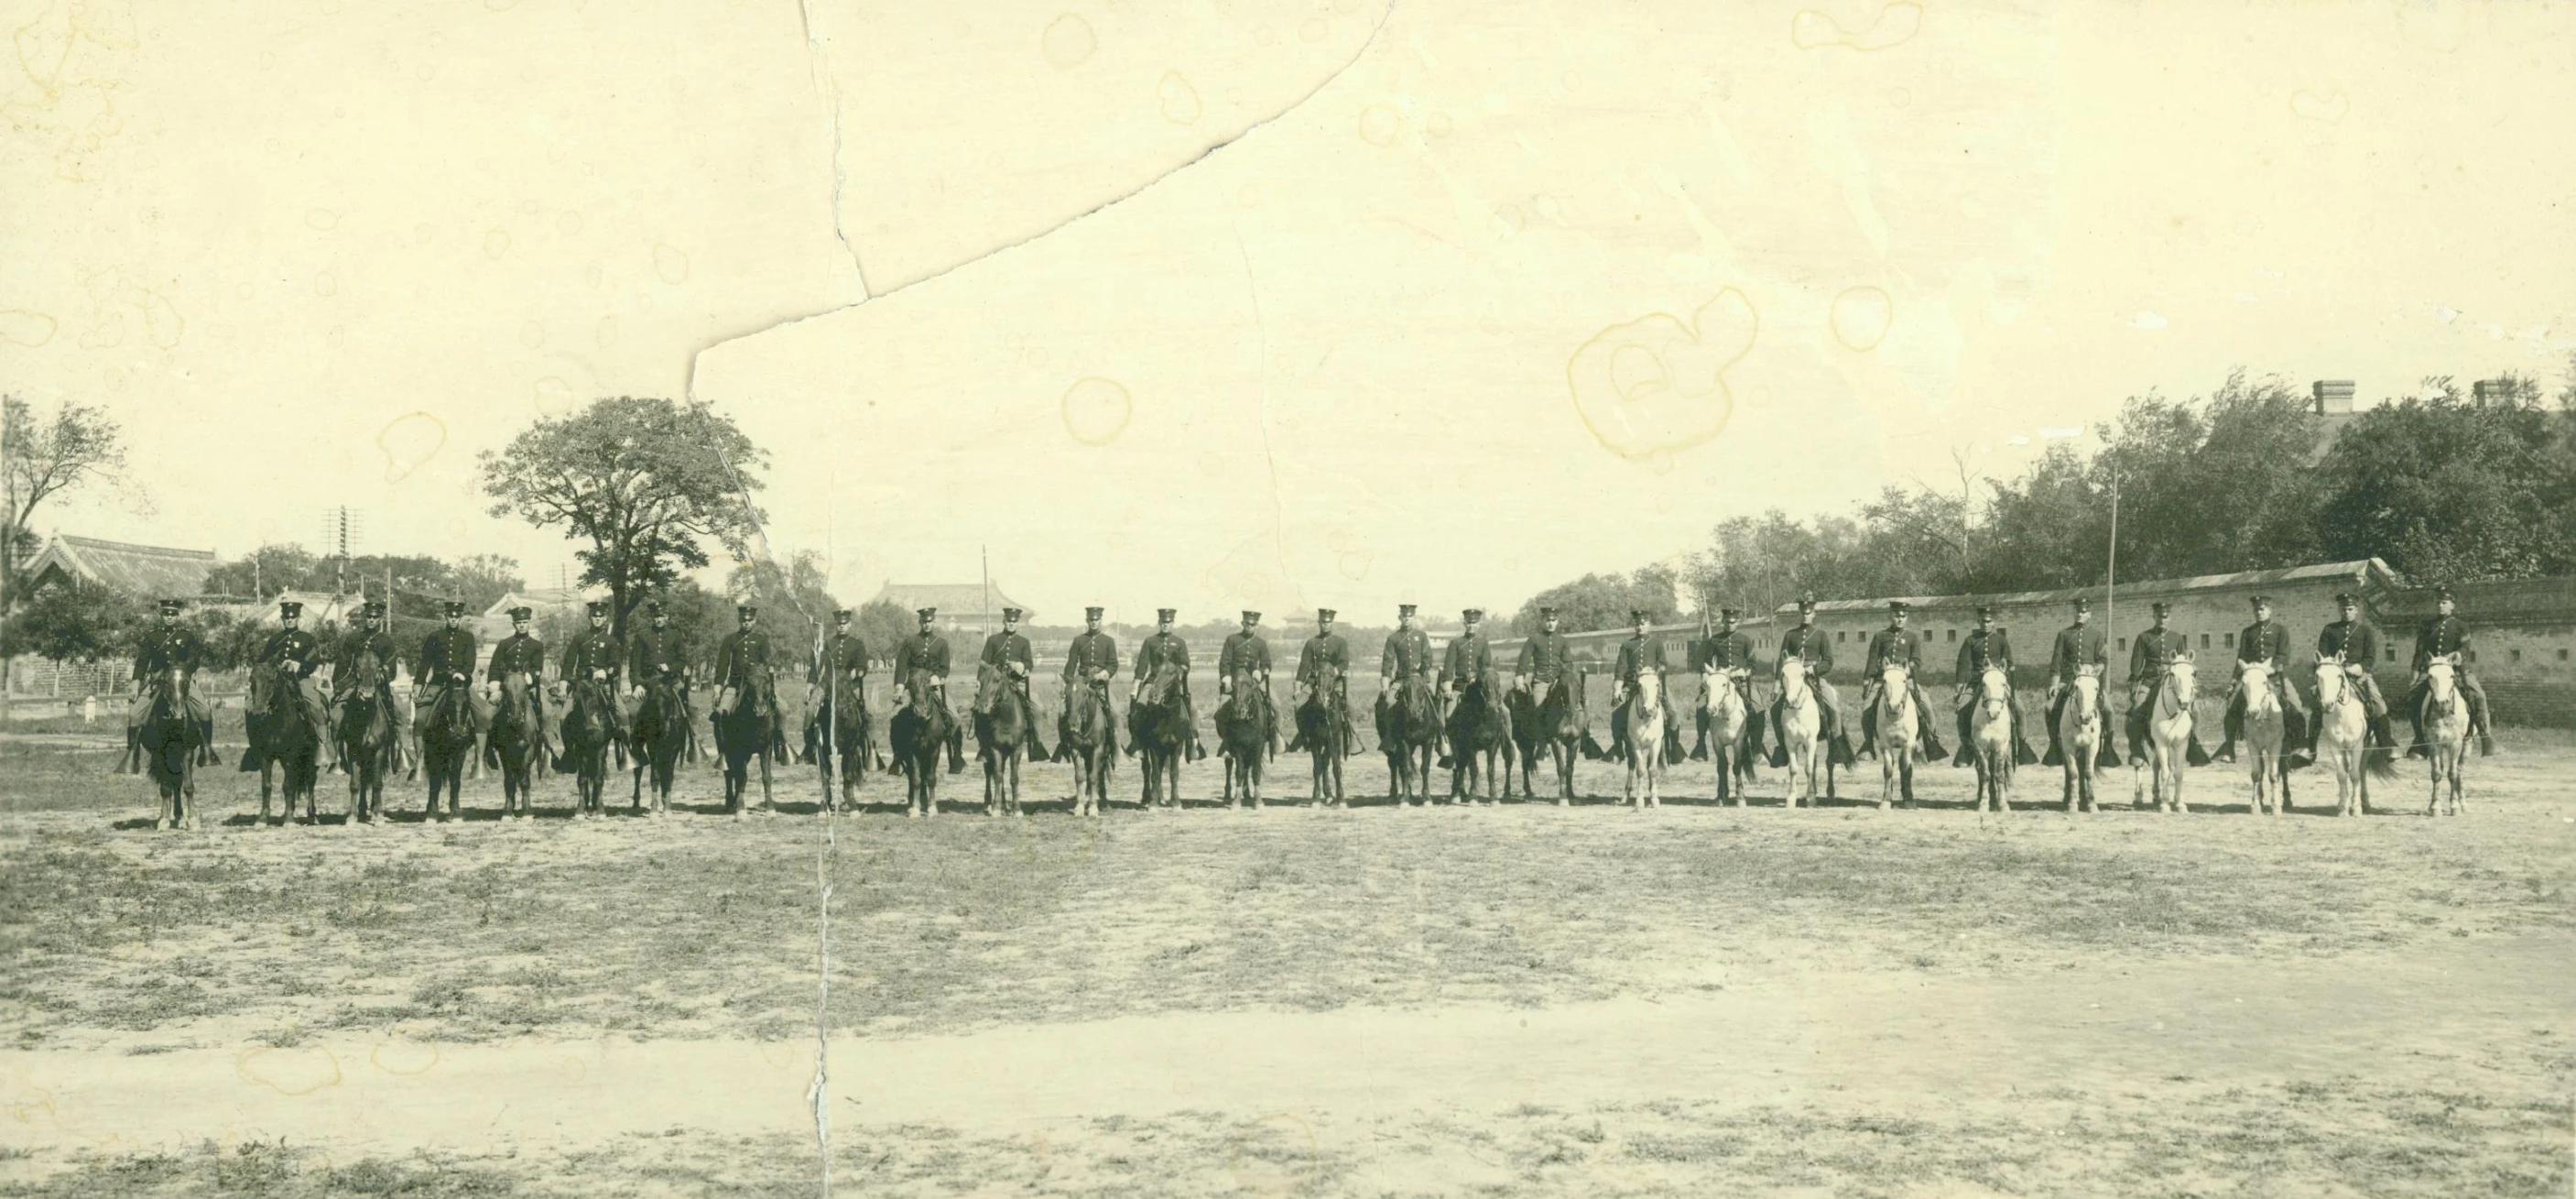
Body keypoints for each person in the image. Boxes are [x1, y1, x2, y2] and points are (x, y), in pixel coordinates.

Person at [2217, 594, 2310, 764]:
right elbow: (2241, 658)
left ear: (2269, 610)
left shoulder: (2280, 630)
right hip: (2251, 676)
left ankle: (2300, 746)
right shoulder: (2248, 632)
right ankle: (2229, 748)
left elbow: (2283, 656)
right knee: (2232, 707)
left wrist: (2270, 669)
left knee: (2295, 704)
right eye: (2256, 609)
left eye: (2262, 609)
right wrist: (2233, 681)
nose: (2259, 612)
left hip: (2273, 676)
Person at [2404, 585, 2495, 758]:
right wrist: (2415, 671)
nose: (2440, 606)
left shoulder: (2461, 625)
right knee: (2413, 699)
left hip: (2457, 670)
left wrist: (2458, 655)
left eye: (2444, 603)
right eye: (2438, 602)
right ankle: (2420, 740)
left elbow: (2466, 647)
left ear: (2452, 605)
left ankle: (2485, 735)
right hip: (2434, 671)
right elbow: (2420, 650)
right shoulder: (2426, 625)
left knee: (2479, 696)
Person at [125, 597, 212, 771]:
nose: (169, 617)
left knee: (204, 710)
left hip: (181, 679)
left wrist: (181, 671)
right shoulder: (152, 636)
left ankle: (206, 749)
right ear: (161, 615)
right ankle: (132, 755)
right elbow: (142, 662)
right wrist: (135, 684)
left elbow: (194, 659)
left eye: (173, 614)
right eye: (166, 613)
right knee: (135, 715)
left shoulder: (186, 635)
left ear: (178, 615)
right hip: (157, 681)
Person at [1859, 601, 1948, 761]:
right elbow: (1872, 661)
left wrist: (1908, 669)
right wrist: (1867, 683)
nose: (1900, 619)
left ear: (1906, 618)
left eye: (1903, 616)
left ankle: (1930, 741)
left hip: (1905, 680)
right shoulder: (1880, 637)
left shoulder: (1912, 637)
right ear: (1890, 616)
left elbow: (1916, 661)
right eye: (1896, 615)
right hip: (1883, 680)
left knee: (1926, 706)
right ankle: (1868, 743)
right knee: (1867, 709)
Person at [333, 599, 415, 774]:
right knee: (336, 715)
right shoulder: (353, 639)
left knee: (400, 711)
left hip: (379, 686)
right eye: (369, 616)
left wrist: (383, 674)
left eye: (375, 617)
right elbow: (342, 664)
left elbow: (391, 667)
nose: (371, 620)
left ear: (380, 619)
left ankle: (402, 751)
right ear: (365, 617)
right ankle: (338, 756)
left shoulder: (386, 641)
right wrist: (340, 685)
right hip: (354, 685)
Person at [254, 598, 333, 768]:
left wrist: (300, 666)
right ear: (282, 619)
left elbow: (314, 661)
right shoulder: (274, 640)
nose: (290, 620)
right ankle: (255, 747)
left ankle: (323, 744)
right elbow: (263, 662)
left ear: (298, 618)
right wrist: (275, 666)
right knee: (254, 704)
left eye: (293, 617)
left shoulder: (307, 639)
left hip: (301, 679)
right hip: (276, 681)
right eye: (286, 617)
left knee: (316, 705)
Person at [1952, 604, 2033, 766]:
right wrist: (1960, 685)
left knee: (2020, 709)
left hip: (1997, 682)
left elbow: (2010, 663)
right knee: (1962, 709)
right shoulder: (1970, 641)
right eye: (1983, 621)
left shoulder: (2001, 640)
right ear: (1978, 621)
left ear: (1994, 622)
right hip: (1977, 682)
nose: (1986, 624)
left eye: (1989, 621)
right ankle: (1966, 747)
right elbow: (1963, 664)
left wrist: (2007, 678)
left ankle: (2022, 745)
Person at [712, 604, 794, 764]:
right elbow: (722, 666)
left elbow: (766, 664)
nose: (746, 623)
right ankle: (723, 751)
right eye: (743, 620)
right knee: (721, 712)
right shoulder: (730, 640)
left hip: (758, 686)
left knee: (782, 709)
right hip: (735, 684)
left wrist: (767, 684)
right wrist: (717, 687)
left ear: (754, 621)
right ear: (739, 620)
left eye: (749, 620)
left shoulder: (761, 640)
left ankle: (782, 744)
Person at [2315, 592, 2396, 753]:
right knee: (2317, 705)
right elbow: (2322, 654)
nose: (2347, 612)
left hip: (2359, 675)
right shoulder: (2329, 629)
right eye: (2344, 609)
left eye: (2350, 608)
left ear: (2356, 610)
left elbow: (2370, 657)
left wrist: (2358, 668)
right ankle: (2309, 748)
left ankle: (2386, 744)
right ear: (2339, 609)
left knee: (2379, 704)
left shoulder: (2365, 630)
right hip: (2334, 675)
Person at [2043, 595, 2118, 766]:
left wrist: (2097, 669)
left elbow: (2103, 660)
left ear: (2089, 614)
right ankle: (2054, 745)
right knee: (2049, 708)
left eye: (2083, 612)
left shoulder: (2097, 635)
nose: (2080, 614)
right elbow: (2057, 661)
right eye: (2078, 611)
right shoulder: (2064, 634)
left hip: (2089, 681)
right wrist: (2054, 683)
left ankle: (2108, 747)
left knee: (2109, 709)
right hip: (2068, 679)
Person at [1771, 592, 1846, 758]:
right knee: (1775, 710)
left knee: (1833, 707)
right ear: (1799, 613)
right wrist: (1777, 683)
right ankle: (1783, 747)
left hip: (1814, 678)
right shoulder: (1790, 635)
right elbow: (1782, 661)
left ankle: (1836, 745)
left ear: (1814, 614)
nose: (1806, 615)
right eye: (1803, 612)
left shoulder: (1821, 635)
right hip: (1794, 679)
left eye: (1809, 612)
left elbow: (1828, 661)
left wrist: (1814, 669)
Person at [417, 600, 491, 768]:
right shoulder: (435, 637)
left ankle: (480, 760)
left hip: (460, 686)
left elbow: (470, 662)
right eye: (451, 616)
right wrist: (418, 685)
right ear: (446, 616)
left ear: (461, 618)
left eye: (457, 616)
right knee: (420, 719)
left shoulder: (467, 637)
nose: (453, 619)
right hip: (438, 684)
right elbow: (424, 663)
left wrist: (462, 674)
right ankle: (419, 762)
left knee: (483, 715)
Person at [627, 597, 702, 762]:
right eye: (656, 616)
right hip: (648, 683)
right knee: (632, 711)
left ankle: (694, 741)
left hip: (671, 682)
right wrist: (637, 685)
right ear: (652, 617)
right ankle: (636, 749)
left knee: (693, 705)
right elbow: (634, 665)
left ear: (667, 617)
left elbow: (682, 660)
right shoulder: (642, 636)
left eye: (662, 616)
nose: (659, 619)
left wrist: (670, 668)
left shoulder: (675, 636)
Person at [892, 606, 966, 770]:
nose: (927, 624)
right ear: (920, 622)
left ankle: (957, 755)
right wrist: (899, 685)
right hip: (913, 685)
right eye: (924, 622)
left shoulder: (941, 643)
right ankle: (897, 757)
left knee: (954, 716)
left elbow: (945, 666)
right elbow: (902, 666)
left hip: (933, 685)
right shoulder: (910, 641)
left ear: (934, 622)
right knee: (895, 715)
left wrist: (938, 677)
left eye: (930, 621)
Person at [1130, 608, 1208, 761]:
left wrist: (1181, 671)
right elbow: (1142, 666)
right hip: (1153, 682)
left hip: (1172, 684)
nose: (1165, 625)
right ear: (1159, 623)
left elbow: (1186, 664)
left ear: (1173, 623)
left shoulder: (1179, 643)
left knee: (1193, 709)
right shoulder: (1150, 641)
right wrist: (1136, 685)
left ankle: (1194, 743)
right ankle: (1138, 743)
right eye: (1162, 622)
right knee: (1139, 705)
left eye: (1168, 622)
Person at [486, 605, 558, 768]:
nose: (522, 625)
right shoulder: (505, 644)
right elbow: (494, 666)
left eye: (525, 622)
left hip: (529, 686)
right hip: (507, 687)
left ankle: (549, 750)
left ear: (529, 623)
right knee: (487, 713)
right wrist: (495, 684)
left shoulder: (536, 645)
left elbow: (538, 667)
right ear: (514, 624)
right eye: (519, 622)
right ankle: (487, 750)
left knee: (546, 711)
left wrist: (530, 676)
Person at [2125, 600, 2192, 759]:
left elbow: (2183, 662)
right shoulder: (2144, 637)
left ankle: (2194, 747)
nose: (2162, 619)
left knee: (2193, 710)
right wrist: (2135, 681)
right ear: (2154, 617)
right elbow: (2136, 665)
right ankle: (2137, 750)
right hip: (2150, 680)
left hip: (2172, 682)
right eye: (2159, 616)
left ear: (2170, 618)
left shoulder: (2177, 638)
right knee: (2137, 710)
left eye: (2166, 616)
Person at [1695, 605, 1765, 760]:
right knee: (1700, 705)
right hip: (1719, 680)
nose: (1730, 625)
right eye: (1727, 622)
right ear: (1723, 622)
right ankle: (1700, 746)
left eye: (1733, 622)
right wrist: (1706, 674)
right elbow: (1703, 662)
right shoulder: (1714, 640)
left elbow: (1753, 665)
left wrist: (1743, 671)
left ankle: (1757, 747)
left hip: (1740, 680)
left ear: (1738, 622)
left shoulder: (1745, 640)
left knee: (1758, 706)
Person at [1609, 609, 1679, 758]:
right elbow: (1620, 669)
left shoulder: (1656, 643)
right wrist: (1617, 689)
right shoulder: (1627, 645)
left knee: (1672, 713)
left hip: (1654, 684)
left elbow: (1664, 664)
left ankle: (1674, 748)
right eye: (1637, 624)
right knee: (1616, 716)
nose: (1640, 627)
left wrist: (1654, 672)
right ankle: (1617, 749)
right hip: (1633, 685)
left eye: (1643, 624)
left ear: (1649, 624)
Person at [1290, 607, 1361, 756]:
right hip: (1315, 682)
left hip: (1335, 682)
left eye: (1328, 622)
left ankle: (1354, 739)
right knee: (1298, 705)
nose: (1325, 624)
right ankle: (1304, 737)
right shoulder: (1311, 643)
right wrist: (1298, 686)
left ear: (1332, 623)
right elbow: (1304, 666)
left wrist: (1331, 673)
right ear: (1319, 622)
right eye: (1323, 622)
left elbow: (1343, 662)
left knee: (1351, 705)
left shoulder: (1340, 642)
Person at [559, 599, 629, 742]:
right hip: (581, 683)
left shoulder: (611, 641)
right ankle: (568, 753)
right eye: (594, 616)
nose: (597, 619)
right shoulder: (579, 639)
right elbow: (568, 663)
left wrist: (605, 672)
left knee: (623, 715)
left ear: (605, 618)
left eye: (600, 617)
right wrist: (564, 681)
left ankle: (626, 750)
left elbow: (615, 665)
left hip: (603, 684)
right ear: (590, 617)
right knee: (563, 717)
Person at [977, 606, 1043, 755]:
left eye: (1014, 621)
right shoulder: (993, 640)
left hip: (1017, 682)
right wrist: (979, 683)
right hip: (995, 683)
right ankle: (984, 745)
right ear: (1004, 621)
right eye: (1008, 621)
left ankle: (1036, 742)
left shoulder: (1023, 642)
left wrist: (1019, 666)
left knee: (1038, 709)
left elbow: (1029, 664)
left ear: (1017, 623)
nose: (1011, 624)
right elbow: (983, 665)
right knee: (980, 708)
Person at [808, 607, 870, 757]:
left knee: (870, 713)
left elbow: (862, 665)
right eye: (839, 623)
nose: (841, 626)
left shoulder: (857, 644)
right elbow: (816, 666)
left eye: (845, 623)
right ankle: (809, 748)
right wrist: (810, 686)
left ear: (850, 624)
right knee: (810, 709)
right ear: (835, 625)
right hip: (828, 684)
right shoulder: (828, 643)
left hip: (851, 684)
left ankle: (870, 749)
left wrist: (858, 671)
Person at [1217, 610, 1279, 758]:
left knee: (1277, 707)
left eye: (1253, 624)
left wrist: (1262, 671)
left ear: (1256, 625)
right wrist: (1226, 676)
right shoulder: (1232, 640)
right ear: (1242, 623)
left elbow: (1267, 663)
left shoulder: (1260, 643)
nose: (1250, 626)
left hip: (1254, 681)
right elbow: (1224, 661)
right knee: (1221, 710)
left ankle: (1275, 737)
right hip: (1235, 682)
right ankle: (1226, 742)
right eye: (1247, 623)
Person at [1060, 605, 1121, 751]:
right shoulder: (1079, 640)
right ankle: (1063, 746)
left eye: (1097, 619)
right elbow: (1071, 665)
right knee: (1062, 712)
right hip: (1082, 682)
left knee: (1116, 712)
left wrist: (1104, 674)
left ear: (1101, 620)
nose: (1094, 622)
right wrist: (1068, 683)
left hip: (1100, 684)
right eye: (1091, 619)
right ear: (1087, 620)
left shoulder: (1108, 641)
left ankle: (1117, 747)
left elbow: (1113, 664)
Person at [1381, 603, 1438, 753]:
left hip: (1421, 680)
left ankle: (1439, 736)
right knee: (1388, 702)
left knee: (1437, 701)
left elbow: (1428, 657)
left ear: (1414, 617)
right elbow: (1387, 662)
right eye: (1404, 616)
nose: (1407, 619)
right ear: (1400, 617)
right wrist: (1386, 683)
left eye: (1410, 616)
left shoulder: (1422, 636)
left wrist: (1422, 668)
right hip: (1401, 680)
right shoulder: (1393, 638)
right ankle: (1389, 738)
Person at [1438, 607, 1495, 755]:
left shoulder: (1483, 643)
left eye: (1474, 623)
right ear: (1464, 623)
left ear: (1479, 624)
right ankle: (1449, 748)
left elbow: (1487, 666)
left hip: (1479, 688)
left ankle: (1505, 742)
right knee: (1449, 714)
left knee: (1503, 712)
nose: (1471, 626)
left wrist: (1478, 679)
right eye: (1469, 623)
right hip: (1459, 687)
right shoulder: (1456, 643)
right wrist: (1448, 688)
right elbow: (1448, 668)